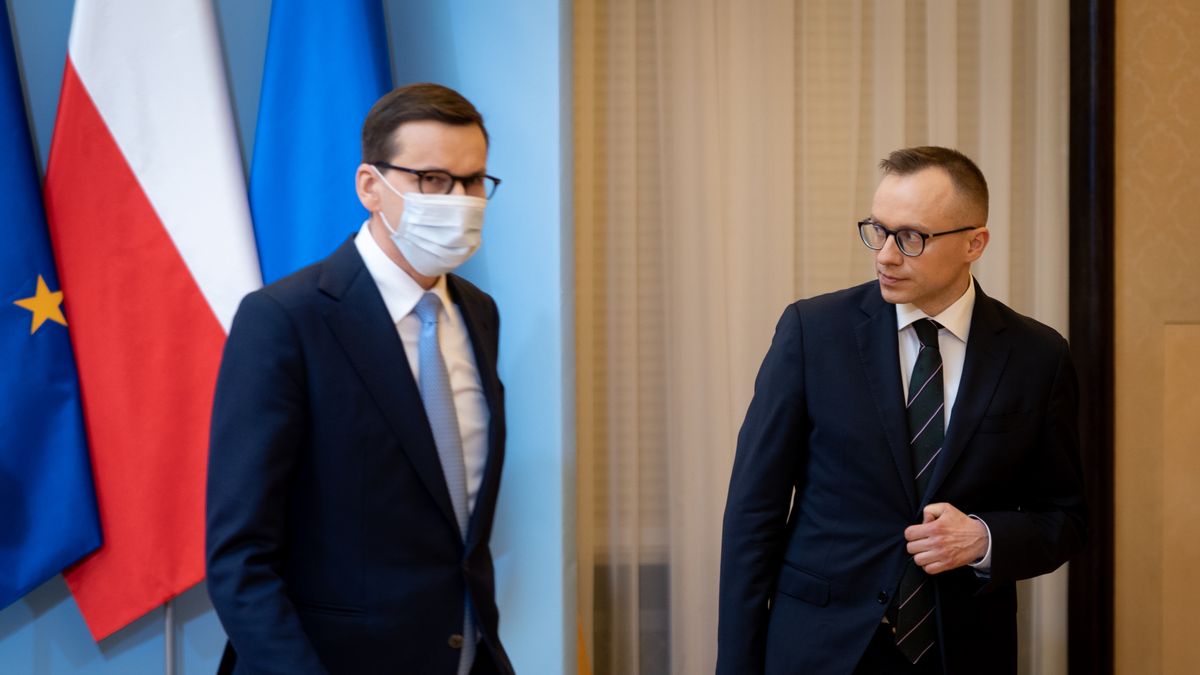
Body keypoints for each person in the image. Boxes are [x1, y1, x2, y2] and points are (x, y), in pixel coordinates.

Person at [716, 146, 1086, 675]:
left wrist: (984, 538)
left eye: (911, 237)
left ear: (974, 243)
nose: (886, 256)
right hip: (821, 647)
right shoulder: (812, 333)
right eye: (878, 231)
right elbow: (753, 514)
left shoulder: (1038, 356)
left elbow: (1066, 518)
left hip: (962, 650)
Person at [207, 83, 513, 675]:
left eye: (473, 180)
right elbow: (240, 557)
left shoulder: (479, 313)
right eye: (433, 179)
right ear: (371, 186)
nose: (459, 200)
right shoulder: (284, 319)